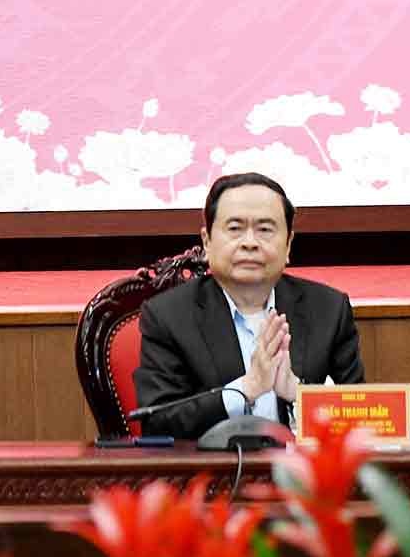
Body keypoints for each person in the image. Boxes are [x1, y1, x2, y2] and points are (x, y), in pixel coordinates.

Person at [133, 172, 363, 440]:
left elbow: (362, 418)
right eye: (235, 228)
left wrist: (298, 394)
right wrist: (245, 388)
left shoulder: (328, 310)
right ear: (207, 242)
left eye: (265, 230)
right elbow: (157, 423)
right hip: (214, 466)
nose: (250, 243)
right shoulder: (168, 316)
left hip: (302, 466)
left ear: (288, 244)